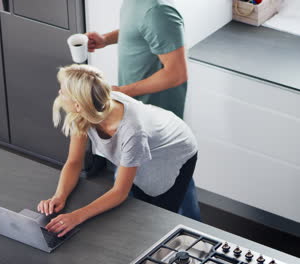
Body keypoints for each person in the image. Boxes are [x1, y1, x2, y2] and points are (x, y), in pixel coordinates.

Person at [37, 64, 198, 237]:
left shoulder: (132, 131)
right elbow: (74, 161)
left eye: (63, 91)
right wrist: (59, 196)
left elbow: (120, 192)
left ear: (78, 105)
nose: (59, 93)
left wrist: (76, 217)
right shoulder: (92, 105)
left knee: (159, 220)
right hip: (149, 138)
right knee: (140, 203)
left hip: (174, 147)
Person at [84, 0, 201, 220]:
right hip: (135, 111)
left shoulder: (158, 12)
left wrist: (123, 91)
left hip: (154, 118)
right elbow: (136, 30)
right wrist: (105, 39)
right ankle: (195, 234)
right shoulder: (135, 4)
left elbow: (176, 73)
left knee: (154, 186)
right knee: (177, 177)